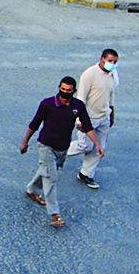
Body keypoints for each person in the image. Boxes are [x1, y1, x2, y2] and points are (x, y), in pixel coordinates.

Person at [20, 76, 103, 227]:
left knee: (46, 170)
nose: (65, 92)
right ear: (58, 88)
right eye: (62, 89)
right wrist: (25, 142)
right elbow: (35, 124)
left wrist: (97, 144)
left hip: (63, 147)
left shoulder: (78, 106)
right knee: (51, 178)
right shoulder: (47, 104)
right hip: (46, 145)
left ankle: (31, 189)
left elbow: (88, 126)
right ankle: (55, 215)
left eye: (68, 90)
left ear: (74, 91)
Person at [69, 49, 120, 188]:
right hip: (89, 118)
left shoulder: (112, 75)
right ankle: (58, 153)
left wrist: (112, 113)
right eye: (110, 61)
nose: (113, 64)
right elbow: (81, 97)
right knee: (84, 145)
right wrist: (79, 119)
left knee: (99, 148)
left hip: (104, 117)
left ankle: (86, 174)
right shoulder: (89, 74)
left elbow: (111, 95)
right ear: (102, 59)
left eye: (115, 62)